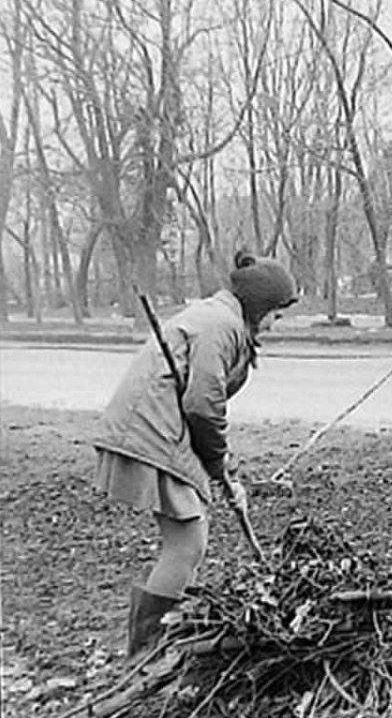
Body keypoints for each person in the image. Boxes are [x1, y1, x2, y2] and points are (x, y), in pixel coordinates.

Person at [94, 251, 299, 658]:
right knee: (187, 542)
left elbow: (206, 406)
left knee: (189, 540)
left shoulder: (220, 318)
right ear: (259, 305)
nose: (275, 325)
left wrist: (228, 472)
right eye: (276, 314)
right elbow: (203, 405)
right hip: (151, 428)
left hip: (159, 426)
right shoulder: (221, 325)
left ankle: (150, 648)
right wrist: (218, 465)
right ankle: (147, 653)